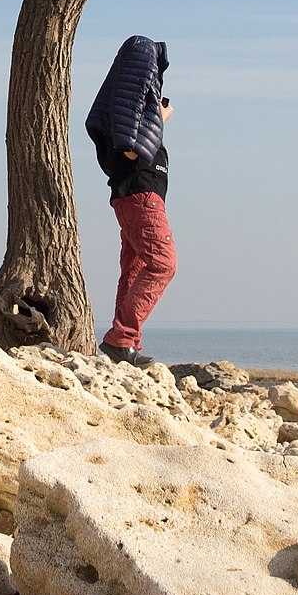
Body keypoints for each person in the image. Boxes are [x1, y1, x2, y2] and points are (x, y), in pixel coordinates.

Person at [83, 34, 175, 365]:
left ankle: (124, 344)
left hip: (131, 196)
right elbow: (133, 148)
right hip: (140, 195)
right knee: (163, 263)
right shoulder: (130, 102)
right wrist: (159, 122)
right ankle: (121, 339)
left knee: (134, 268)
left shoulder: (121, 104)